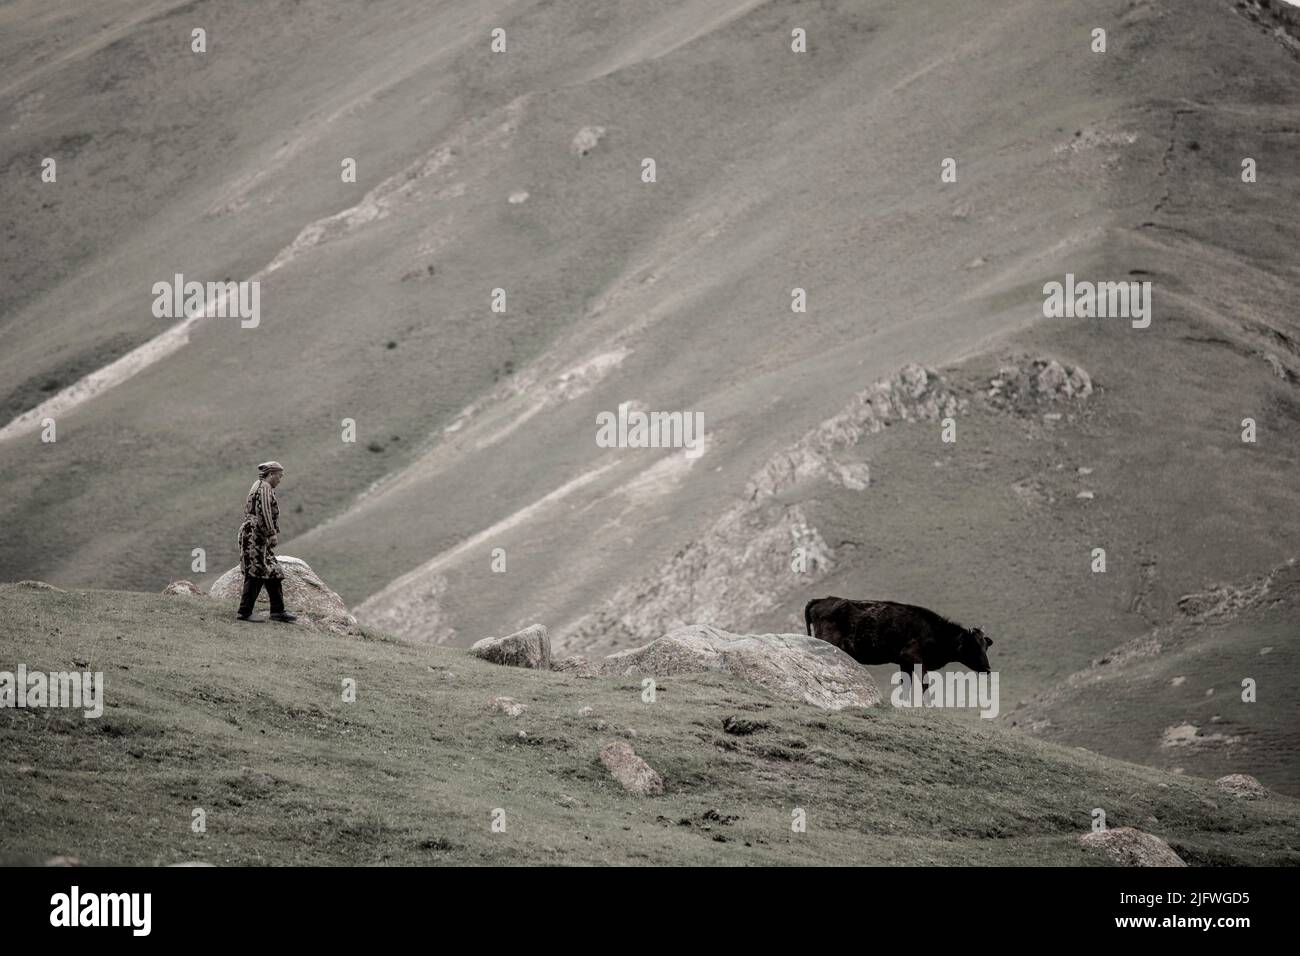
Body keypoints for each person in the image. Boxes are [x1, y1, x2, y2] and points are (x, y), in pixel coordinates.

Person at [236, 461, 298, 623]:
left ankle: (277, 611)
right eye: (279, 476)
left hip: (257, 535)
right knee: (255, 572)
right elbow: (264, 511)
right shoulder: (264, 488)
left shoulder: (259, 485)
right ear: (271, 474)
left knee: (274, 571)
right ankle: (244, 611)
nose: (280, 479)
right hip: (255, 536)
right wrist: (271, 533)